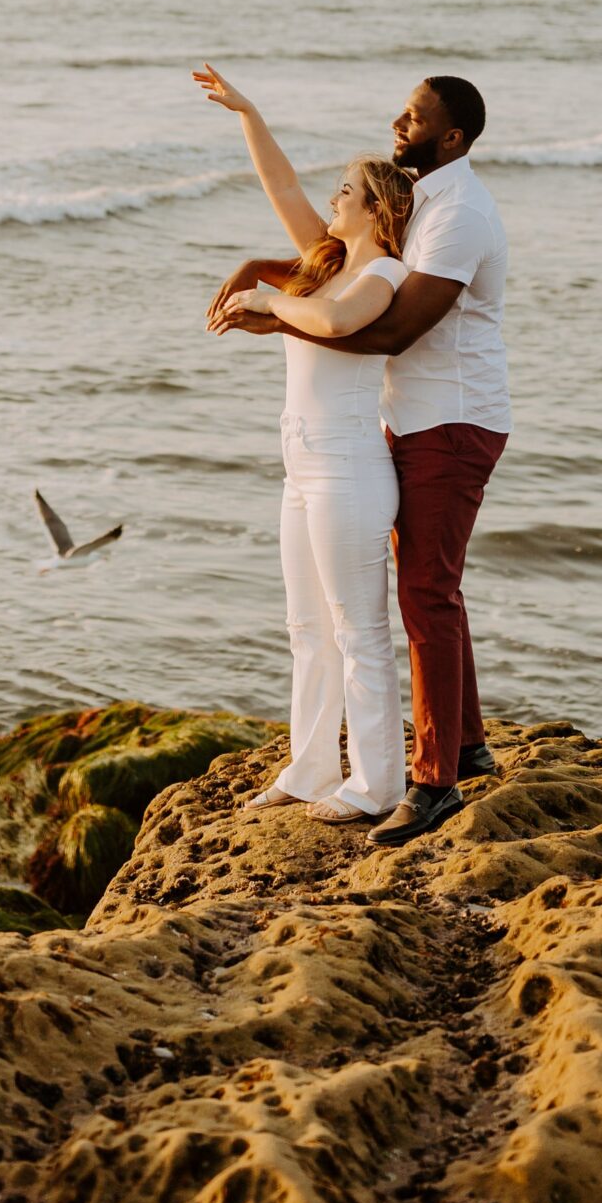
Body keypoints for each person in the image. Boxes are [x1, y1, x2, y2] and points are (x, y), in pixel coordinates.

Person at [201, 67, 509, 847]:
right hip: (377, 435)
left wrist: (274, 303)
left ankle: (418, 780)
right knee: (326, 619)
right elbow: (284, 199)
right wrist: (249, 114)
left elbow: (372, 331)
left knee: (414, 603)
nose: (395, 125)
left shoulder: (430, 234)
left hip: (446, 422)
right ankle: (349, 761)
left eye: (412, 118)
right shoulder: (349, 250)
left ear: (451, 137)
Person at [192, 80, 415, 822]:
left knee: (358, 634)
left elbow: (334, 320)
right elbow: (280, 183)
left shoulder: (380, 277)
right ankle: (311, 767)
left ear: (377, 211)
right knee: (306, 631)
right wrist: (249, 114)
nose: (331, 198)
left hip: (349, 471)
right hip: (302, 467)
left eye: (345, 191)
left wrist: (266, 295)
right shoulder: (323, 259)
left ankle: (378, 785)